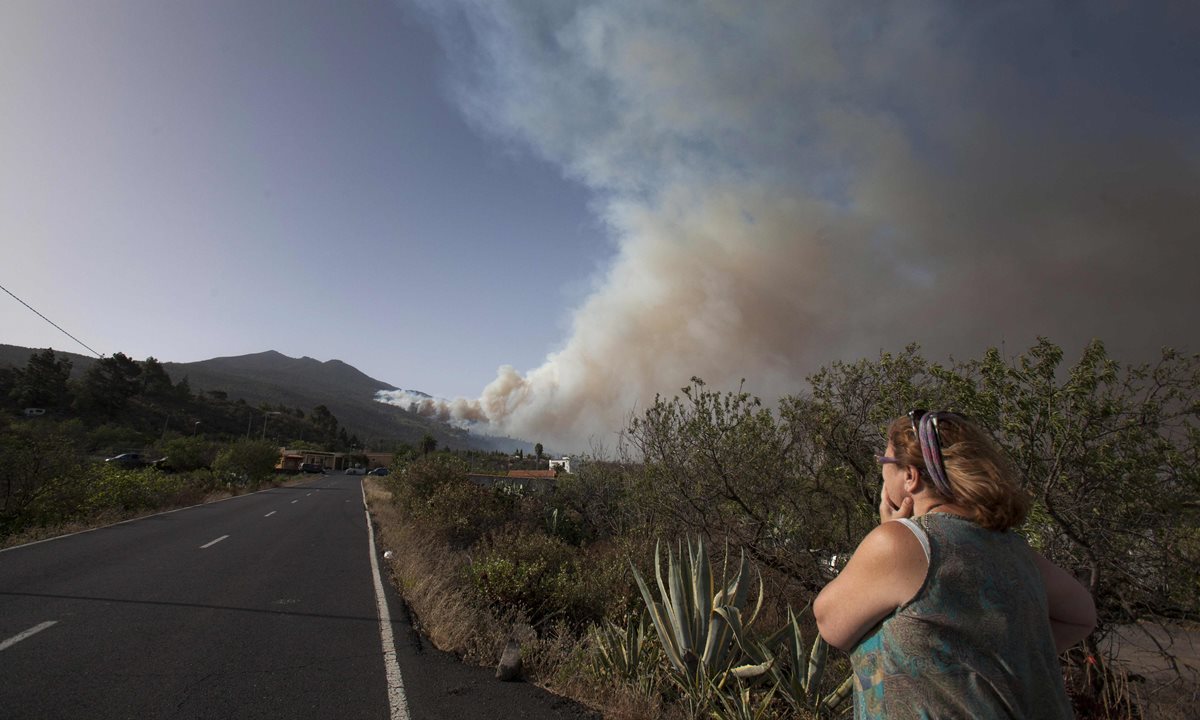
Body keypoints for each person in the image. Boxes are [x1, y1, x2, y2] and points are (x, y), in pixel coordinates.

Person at [814, 410, 1096, 719]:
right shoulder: (1015, 548)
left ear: (910, 476)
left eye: (885, 464)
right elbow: (1081, 615)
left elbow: (830, 622)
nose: (881, 474)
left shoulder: (900, 543)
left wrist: (889, 533)